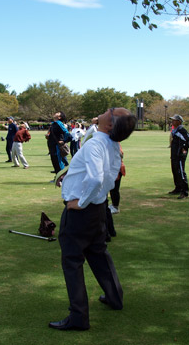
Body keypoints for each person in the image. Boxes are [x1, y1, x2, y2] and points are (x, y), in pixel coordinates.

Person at [49, 107, 137, 331]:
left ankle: (78, 317)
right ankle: (114, 297)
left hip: (82, 211)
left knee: (72, 261)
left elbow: (98, 178)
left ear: (110, 124)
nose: (109, 110)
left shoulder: (97, 144)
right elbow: (109, 177)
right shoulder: (111, 144)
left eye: (112, 111)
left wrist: (81, 202)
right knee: (98, 254)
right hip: (98, 209)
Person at [167, 114, 189, 199]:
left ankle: (184, 192)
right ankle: (178, 188)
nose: (172, 121)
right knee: (175, 171)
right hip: (174, 155)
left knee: (181, 172)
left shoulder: (182, 130)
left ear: (179, 122)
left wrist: (184, 148)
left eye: (174, 120)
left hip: (180, 156)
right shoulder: (175, 130)